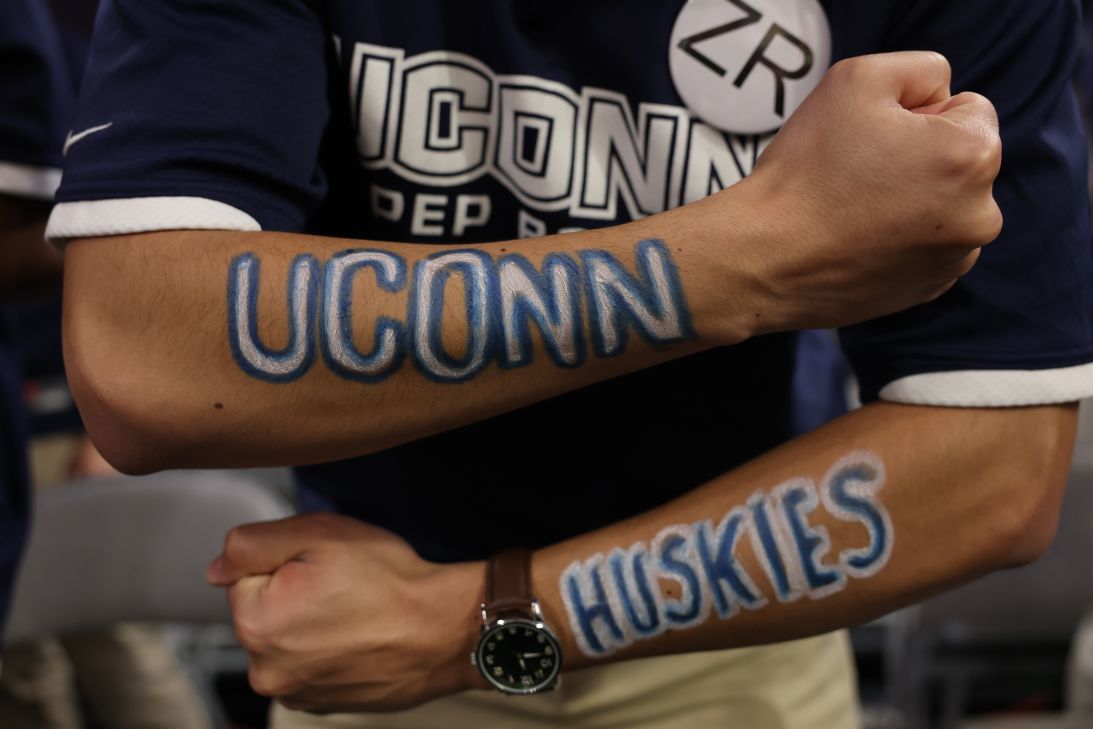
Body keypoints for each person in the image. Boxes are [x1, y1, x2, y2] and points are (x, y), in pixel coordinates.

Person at [50, 0, 1092, 727]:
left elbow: (996, 470)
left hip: (733, 627)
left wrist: (471, 624)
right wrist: (760, 251)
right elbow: (144, 359)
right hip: (351, 633)